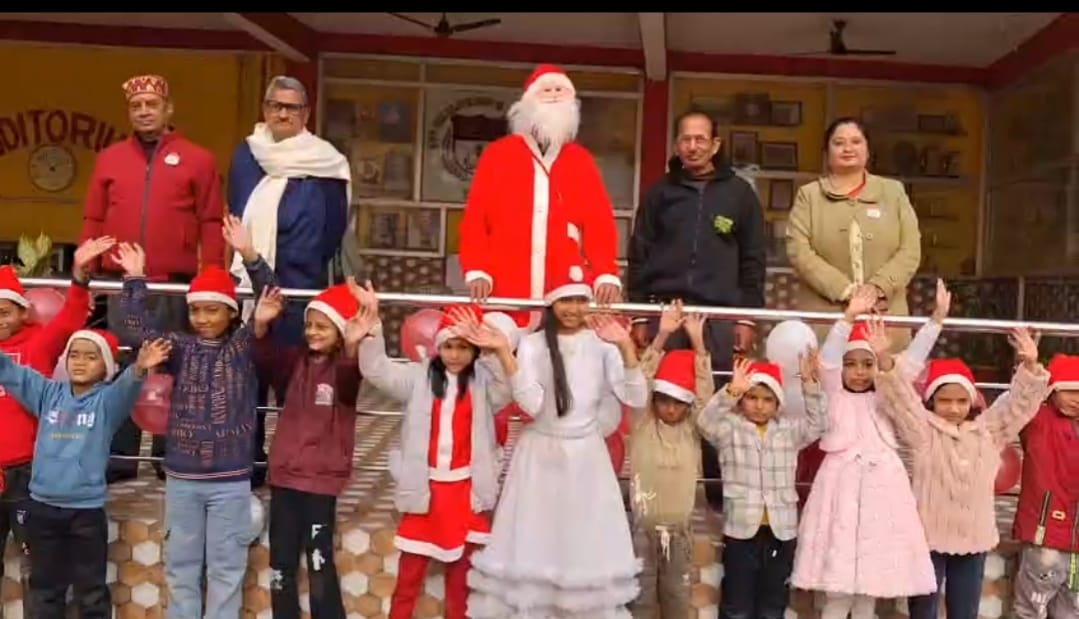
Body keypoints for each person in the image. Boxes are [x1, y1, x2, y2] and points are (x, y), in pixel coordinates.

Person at [467, 249, 647, 617]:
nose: (573, 308)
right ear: (551, 303)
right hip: (539, 457)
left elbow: (637, 396)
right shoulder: (532, 344)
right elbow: (531, 405)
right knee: (536, 541)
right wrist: (505, 352)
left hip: (586, 460)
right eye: (565, 299)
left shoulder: (603, 344)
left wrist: (626, 347)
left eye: (581, 300)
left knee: (581, 542)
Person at [116, 219, 272, 619]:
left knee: (226, 569)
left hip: (230, 482)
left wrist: (251, 256)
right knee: (181, 568)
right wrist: (135, 280)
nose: (202, 318)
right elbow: (137, 329)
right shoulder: (180, 349)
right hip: (183, 480)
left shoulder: (243, 346)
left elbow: (273, 297)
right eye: (196, 310)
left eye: (212, 310)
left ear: (231, 312)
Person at [80, 73, 227, 482]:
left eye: (152, 104)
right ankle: (122, 457)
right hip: (121, 282)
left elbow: (211, 221)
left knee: (175, 367)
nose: (144, 111)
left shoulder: (199, 159)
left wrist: (212, 279)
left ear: (168, 109)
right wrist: (86, 273)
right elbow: (93, 216)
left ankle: (170, 454)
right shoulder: (110, 158)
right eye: (136, 105)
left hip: (173, 282)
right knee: (124, 365)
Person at [872, 295, 1049, 619]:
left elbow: (1019, 405)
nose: (953, 408)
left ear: (972, 401)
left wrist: (1030, 365)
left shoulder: (988, 432)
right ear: (932, 402)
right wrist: (883, 358)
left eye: (960, 400)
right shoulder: (923, 431)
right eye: (945, 400)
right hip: (927, 539)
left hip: (974, 539)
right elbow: (898, 397)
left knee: (964, 611)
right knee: (922, 611)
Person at [627, 109, 767, 512]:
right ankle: (660, 499)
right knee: (665, 405)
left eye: (701, 139)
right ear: (677, 146)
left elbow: (753, 260)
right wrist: (639, 315)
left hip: (719, 316)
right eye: (685, 139)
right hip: (665, 314)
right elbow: (639, 254)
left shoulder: (739, 194)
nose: (693, 146)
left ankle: (719, 500)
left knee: (718, 408)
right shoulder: (660, 193)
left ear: (716, 145)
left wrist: (745, 318)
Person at [353, 287, 518, 619]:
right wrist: (372, 327)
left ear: (475, 350)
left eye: (463, 347)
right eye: (449, 346)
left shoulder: (485, 384)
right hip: (425, 491)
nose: (455, 355)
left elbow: (510, 387)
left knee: (461, 581)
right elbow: (378, 371)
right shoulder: (418, 377)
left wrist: (496, 348)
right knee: (409, 576)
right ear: (438, 346)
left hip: (465, 490)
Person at [228, 75, 351, 487]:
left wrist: (300, 258)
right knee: (248, 378)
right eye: (275, 105)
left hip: (301, 287)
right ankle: (248, 465)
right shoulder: (247, 154)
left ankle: (294, 464)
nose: (282, 113)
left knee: (297, 381)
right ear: (264, 109)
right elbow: (235, 210)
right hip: (250, 282)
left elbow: (334, 226)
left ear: (305, 114)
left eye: (292, 107)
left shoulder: (326, 160)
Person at [792, 289, 940, 619]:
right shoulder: (833, 391)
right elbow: (827, 360)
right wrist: (847, 318)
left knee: (868, 592)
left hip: (883, 488)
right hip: (840, 486)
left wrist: (936, 321)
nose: (859, 371)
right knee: (838, 588)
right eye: (852, 364)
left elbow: (912, 360)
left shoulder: (887, 391)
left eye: (867, 364)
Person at [0, 331, 170, 619]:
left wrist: (140, 367)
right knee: (44, 588)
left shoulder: (106, 403)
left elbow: (127, 386)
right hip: (42, 509)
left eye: (91, 357)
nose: (80, 362)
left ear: (105, 366)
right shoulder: (47, 393)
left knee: (90, 590)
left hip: (85, 514)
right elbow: (11, 372)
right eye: (74, 355)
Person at [244, 254, 364, 619]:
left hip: (320, 483)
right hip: (285, 477)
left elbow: (348, 377)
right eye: (309, 325)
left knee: (318, 558)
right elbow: (264, 360)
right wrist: (261, 328)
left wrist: (354, 346)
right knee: (281, 561)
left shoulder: (345, 369)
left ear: (341, 331)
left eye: (322, 327)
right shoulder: (293, 363)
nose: (312, 332)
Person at [458, 63, 623, 328]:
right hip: (506, 285)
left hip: (563, 288)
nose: (555, 95)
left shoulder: (580, 160)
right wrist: (478, 269)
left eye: (560, 89)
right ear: (529, 101)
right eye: (547, 89)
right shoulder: (500, 155)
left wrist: (605, 272)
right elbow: (476, 218)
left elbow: (599, 222)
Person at [0, 237, 113, 617]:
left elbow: (70, 317)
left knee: (41, 572)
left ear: (22, 313)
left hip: (27, 476)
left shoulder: (38, 345)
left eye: (5, 311)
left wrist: (79, 276)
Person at [698, 353, 825, 619]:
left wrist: (811, 387)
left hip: (781, 531)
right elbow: (704, 422)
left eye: (768, 400)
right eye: (752, 397)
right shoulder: (730, 428)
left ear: (778, 403)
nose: (759, 405)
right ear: (742, 399)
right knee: (737, 602)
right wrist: (732, 390)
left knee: (773, 602)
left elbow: (819, 425)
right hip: (741, 530)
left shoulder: (788, 430)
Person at [785, 116, 922, 352]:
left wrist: (877, 289)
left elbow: (911, 249)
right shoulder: (809, 195)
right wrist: (848, 292)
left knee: (888, 382)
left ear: (868, 150)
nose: (847, 148)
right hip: (827, 318)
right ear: (827, 152)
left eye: (856, 141)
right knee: (825, 380)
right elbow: (799, 252)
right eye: (838, 143)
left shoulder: (893, 192)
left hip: (885, 318)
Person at [627, 301, 714, 619]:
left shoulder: (694, 427)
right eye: (664, 401)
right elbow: (640, 380)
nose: (671, 409)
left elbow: (706, 397)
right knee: (641, 601)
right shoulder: (642, 423)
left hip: (679, 534)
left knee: (677, 599)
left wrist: (698, 343)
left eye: (679, 403)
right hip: (642, 531)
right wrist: (662, 335)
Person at [1010, 353, 1079, 619]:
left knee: (1071, 611)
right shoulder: (1037, 420)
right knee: (1030, 609)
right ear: (1051, 390)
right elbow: (1018, 401)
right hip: (1045, 535)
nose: (1076, 398)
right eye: (1069, 390)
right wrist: (1029, 365)